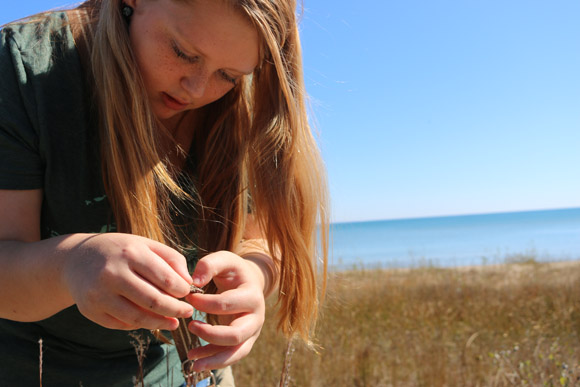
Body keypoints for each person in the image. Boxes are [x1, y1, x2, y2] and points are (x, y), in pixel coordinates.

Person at [0, 0, 329, 385]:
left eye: (228, 74)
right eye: (183, 53)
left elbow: (261, 239)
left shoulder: (240, 106)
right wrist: (73, 264)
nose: (197, 89)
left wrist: (255, 276)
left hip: (190, 374)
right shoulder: (24, 68)